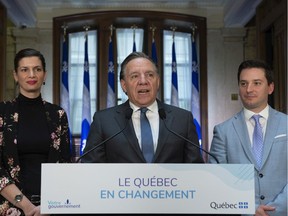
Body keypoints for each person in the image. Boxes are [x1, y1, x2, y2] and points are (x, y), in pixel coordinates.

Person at [81, 51, 204, 163]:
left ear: (158, 81)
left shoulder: (182, 119)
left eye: (150, 75)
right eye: (135, 76)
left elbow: (195, 170)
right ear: (124, 85)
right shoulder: (104, 121)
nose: (143, 81)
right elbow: (91, 168)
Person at [209, 59, 287, 216]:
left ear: (270, 88)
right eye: (243, 84)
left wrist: (277, 210)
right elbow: (218, 182)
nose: (249, 89)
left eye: (257, 83)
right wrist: (250, 209)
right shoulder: (222, 131)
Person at [0, 48, 72, 216]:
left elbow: (65, 165)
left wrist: (49, 205)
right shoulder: (2, 112)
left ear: (44, 75)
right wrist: (26, 206)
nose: (31, 74)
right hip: (10, 207)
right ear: (15, 75)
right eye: (24, 70)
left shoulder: (58, 114)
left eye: (37, 69)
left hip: (50, 207)